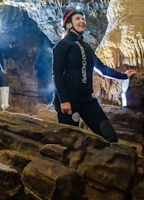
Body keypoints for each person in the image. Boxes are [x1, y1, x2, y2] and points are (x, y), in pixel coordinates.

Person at [52, 9, 136, 142]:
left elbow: (102, 68)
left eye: (83, 19)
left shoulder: (86, 47)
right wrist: (64, 100)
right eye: (77, 19)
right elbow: (57, 73)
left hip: (87, 100)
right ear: (68, 25)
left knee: (110, 137)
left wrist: (124, 76)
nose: (82, 21)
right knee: (68, 141)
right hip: (69, 100)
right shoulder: (62, 45)